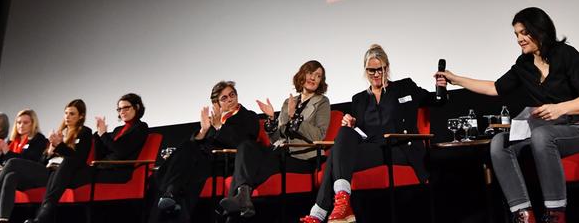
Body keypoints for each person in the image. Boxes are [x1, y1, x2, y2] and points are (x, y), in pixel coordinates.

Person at [439, 7, 579, 223]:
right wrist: (455, 79)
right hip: (544, 132)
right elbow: (494, 88)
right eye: (516, 35)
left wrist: (559, 108)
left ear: (539, 30)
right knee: (499, 142)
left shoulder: (567, 55)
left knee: (542, 135)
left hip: (577, 130)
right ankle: (523, 214)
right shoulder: (523, 65)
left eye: (524, 33)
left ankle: (556, 214)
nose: (519, 39)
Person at [300, 44, 446, 223]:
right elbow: (360, 133)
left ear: (387, 68)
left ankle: (322, 212)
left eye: (380, 70)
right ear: (365, 70)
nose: (376, 74)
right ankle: (343, 204)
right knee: (344, 134)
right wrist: (352, 124)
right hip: (373, 149)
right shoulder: (359, 99)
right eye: (371, 70)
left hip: (399, 148)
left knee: (336, 157)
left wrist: (441, 87)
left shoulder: (405, 87)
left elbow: (437, 101)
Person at [220, 60, 330, 218]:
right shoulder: (288, 102)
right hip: (280, 151)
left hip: (303, 157)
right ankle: (243, 198)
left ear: (321, 81)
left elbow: (319, 135)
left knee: (255, 163)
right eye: (310, 73)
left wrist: (295, 118)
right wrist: (271, 119)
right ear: (302, 75)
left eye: (318, 76)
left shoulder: (322, 102)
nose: (313, 78)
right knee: (246, 147)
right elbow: (277, 138)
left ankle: (231, 211)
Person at [152, 80, 259, 221]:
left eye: (232, 94)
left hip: (227, 162)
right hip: (205, 161)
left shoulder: (249, 116)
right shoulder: (213, 120)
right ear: (217, 103)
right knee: (187, 148)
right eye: (224, 98)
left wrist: (220, 127)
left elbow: (244, 143)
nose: (230, 99)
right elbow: (197, 144)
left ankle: (171, 194)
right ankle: (170, 194)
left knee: (184, 172)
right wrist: (203, 130)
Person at [0, 99, 91, 223]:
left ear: (81, 116)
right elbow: (42, 161)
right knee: (11, 176)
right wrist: (49, 152)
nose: (67, 117)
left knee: (12, 163)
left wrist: (59, 146)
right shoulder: (59, 132)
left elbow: (78, 158)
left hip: (61, 174)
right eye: (66, 113)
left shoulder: (85, 132)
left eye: (72, 114)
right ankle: (3, 219)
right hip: (47, 170)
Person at [91, 93, 149, 183]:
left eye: (126, 108)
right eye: (119, 109)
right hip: (105, 168)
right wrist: (98, 134)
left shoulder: (141, 127)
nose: (122, 111)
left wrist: (103, 134)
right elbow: (103, 154)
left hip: (121, 171)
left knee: (79, 175)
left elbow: (121, 151)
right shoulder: (118, 130)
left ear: (136, 107)